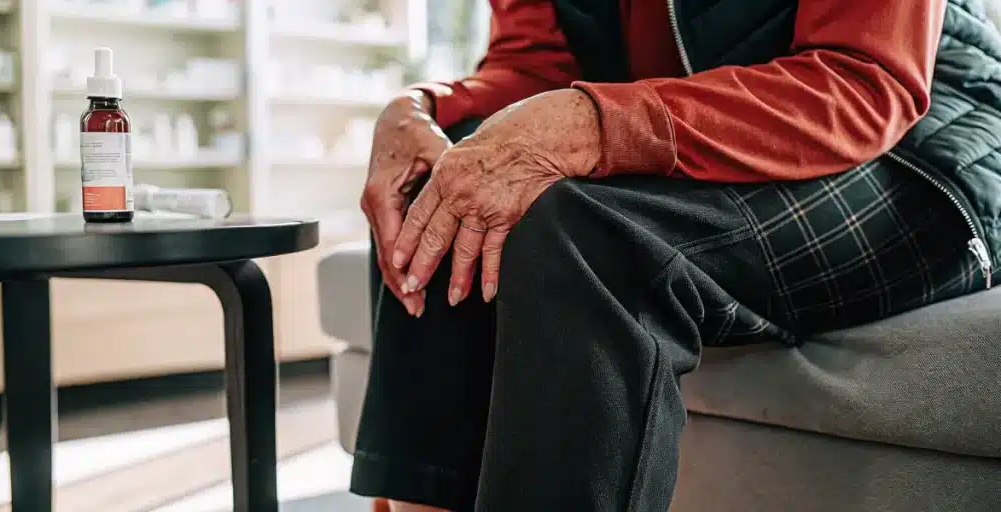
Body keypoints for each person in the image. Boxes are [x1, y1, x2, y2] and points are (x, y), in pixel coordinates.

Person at [354, 0, 1001, 510]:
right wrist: (426, 108)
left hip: (920, 150)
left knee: (590, 237)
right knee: (444, 182)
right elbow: (537, 64)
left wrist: (591, 124)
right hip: (712, 129)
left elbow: (862, 80)